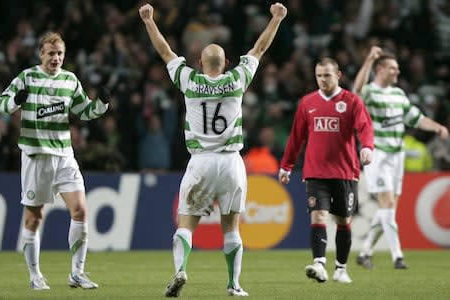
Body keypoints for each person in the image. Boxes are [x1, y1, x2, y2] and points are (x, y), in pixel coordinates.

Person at [139, 2, 287, 297]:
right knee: (231, 227)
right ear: (227, 62)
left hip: (201, 161)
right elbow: (259, 48)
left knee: (187, 223)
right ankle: (234, 284)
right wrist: (277, 19)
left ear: (200, 63)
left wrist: (149, 22)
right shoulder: (236, 80)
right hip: (231, 162)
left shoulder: (189, 81)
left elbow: (165, 52)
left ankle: (180, 270)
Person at [0, 31, 110, 290]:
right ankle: (35, 275)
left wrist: (101, 104)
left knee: (80, 210)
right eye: (51, 53)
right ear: (41, 54)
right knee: (34, 218)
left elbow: (84, 111)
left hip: (65, 155)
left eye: (59, 54)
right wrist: (15, 101)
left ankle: (77, 273)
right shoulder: (27, 77)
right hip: (37, 157)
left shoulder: (70, 80)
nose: (55, 58)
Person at [278, 58, 374, 284]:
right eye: (319, 75)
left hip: (345, 172)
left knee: (343, 220)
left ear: (338, 75)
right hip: (315, 172)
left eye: (327, 75)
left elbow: (365, 127)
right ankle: (319, 264)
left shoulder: (352, 101)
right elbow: (296, 137)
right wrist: (286, 165)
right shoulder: (307, 103)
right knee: (318, 215)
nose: (322, 79)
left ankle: (341, 268)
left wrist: (367, 148)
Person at [353, 46, 448, 270]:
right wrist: (368, 59)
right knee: (387, 205)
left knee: (388, 209)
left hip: (397, 155)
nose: (397, 72)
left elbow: (416, 118)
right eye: (393, 68)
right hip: (378, 153)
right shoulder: (371, 93)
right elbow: (356, 90)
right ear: (380, 69)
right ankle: (397, 256)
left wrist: (437, 127)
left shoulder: (398, 94)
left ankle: (365, 252)